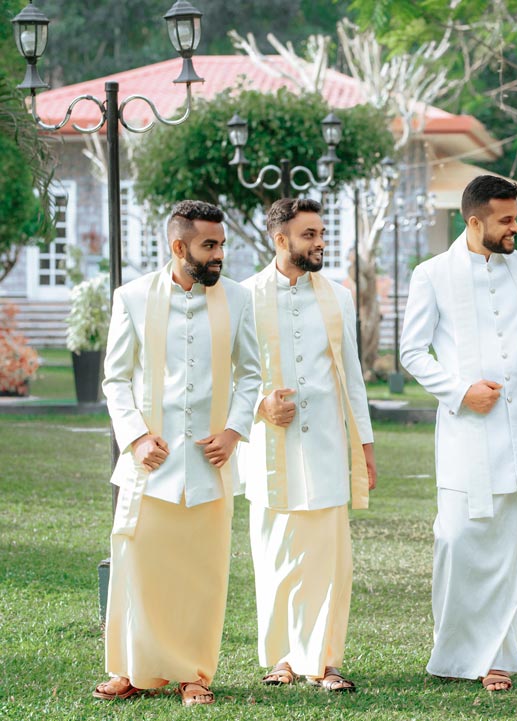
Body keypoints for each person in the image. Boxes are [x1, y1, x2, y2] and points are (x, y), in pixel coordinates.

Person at [399, 175, 517, 692]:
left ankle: (498, 657)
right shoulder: (432, 274)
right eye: (506, 220)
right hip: (467, 430)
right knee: (457, 539)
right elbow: (412, 352)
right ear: (475, 221)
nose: (516, 227)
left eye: (516, 217)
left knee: (514, 548)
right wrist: (460, 390)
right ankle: (453, 653)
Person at [96, 200, 261, 706]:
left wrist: (233, 432)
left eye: (222, 244)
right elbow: (115, 379)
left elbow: (251, 374)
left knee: (202, 573)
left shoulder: (238, 298)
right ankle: (132, 669)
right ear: (178, 246)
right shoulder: (132, 297)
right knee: (138, 568)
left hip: (210, 464)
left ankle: (194, 674)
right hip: (150, 464)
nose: (219, 254)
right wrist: (136, 437)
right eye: (209, 245)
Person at [240, 198, 377, 692]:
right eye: (310, 235)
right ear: (281, 240)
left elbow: (353, 378)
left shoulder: (338, 296)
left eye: (322, 234)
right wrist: (260, 406)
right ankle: (281, 658)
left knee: (329, 559)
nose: (321, 242)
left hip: (326, 445)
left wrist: (365, 449)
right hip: (269, 446)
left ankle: (326, 660)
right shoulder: (243, 296)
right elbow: (229, 374)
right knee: (275, 555)